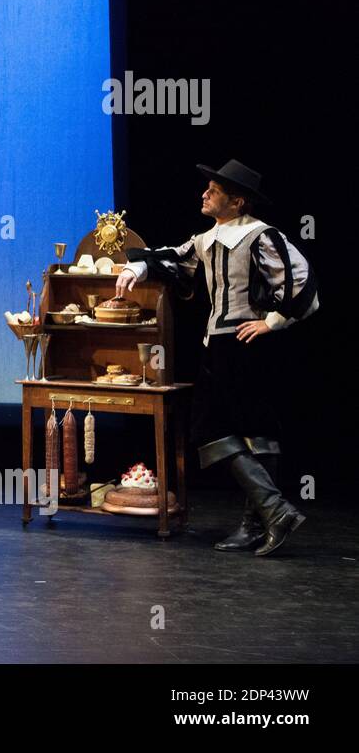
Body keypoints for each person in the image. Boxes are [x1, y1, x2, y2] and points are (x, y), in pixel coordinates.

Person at [117, 159, 319, 556]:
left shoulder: (262, 237)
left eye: (214, 190)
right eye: (207, 188)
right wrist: (137, 268)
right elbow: (174, 257)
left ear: (238, 201)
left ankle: (269, 516)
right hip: (219, 344)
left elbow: (304, 284)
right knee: (224, 432)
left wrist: (273, 322)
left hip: (247, 345)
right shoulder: (208, 240)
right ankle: (264, 521)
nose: (205, 194)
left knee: (248, 433)